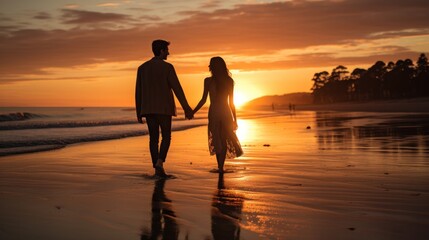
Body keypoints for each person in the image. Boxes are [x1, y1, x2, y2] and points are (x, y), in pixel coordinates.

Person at [135, 39, 193, 177]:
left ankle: (156, 168)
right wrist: (186, 107)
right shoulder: (167, 67)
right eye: (167, 50)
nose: (169, 53)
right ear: (161, 51)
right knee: (166, 136)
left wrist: (139, 111)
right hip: (164, 109)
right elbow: (177, 89)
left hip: (148, 109)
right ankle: (160, 162)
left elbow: (138, 91)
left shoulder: (142, 68)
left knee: (153, 139)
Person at [192, 57, 243, 173]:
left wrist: (192, 112)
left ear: (212, 67)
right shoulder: (229, 81)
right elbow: (232, 103)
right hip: (225, 111)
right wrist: (235, 119)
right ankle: (221, 167)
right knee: (224, 138)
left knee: (216, 139)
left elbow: (203, 100)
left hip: (214, 111)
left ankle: (219, 166)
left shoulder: (208, 81)